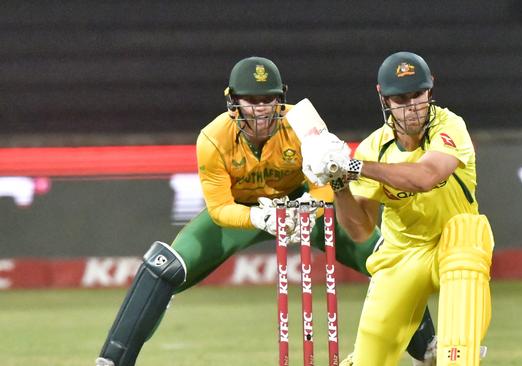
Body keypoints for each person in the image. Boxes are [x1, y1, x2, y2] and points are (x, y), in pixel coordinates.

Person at [95, 56, 436, 366]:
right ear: (233, 103)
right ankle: (112, 362)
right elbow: (219, 209)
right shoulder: (212, 138)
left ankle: (427, 350)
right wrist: (259, 217)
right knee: (162, 267)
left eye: (269, 100)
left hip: (301, 203)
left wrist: (310, 209)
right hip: (244, 211)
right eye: (252, 101)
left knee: (385, 255)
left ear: (280, 97)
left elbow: (327, 174)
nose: (261, 110)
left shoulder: (302, 121)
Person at [301, 51, 494, 366]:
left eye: (418, 95)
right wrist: (337, 182)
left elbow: (425, 176)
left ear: (430, 89)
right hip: (403, 253)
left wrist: (353, 166)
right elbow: (360, 230)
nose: (412, 107)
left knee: (467, 238)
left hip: (456, 241)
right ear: (384, 98)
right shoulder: (374, 147)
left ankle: (454, 355)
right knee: (368, 360)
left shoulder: (450, 125)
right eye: (401, 99)